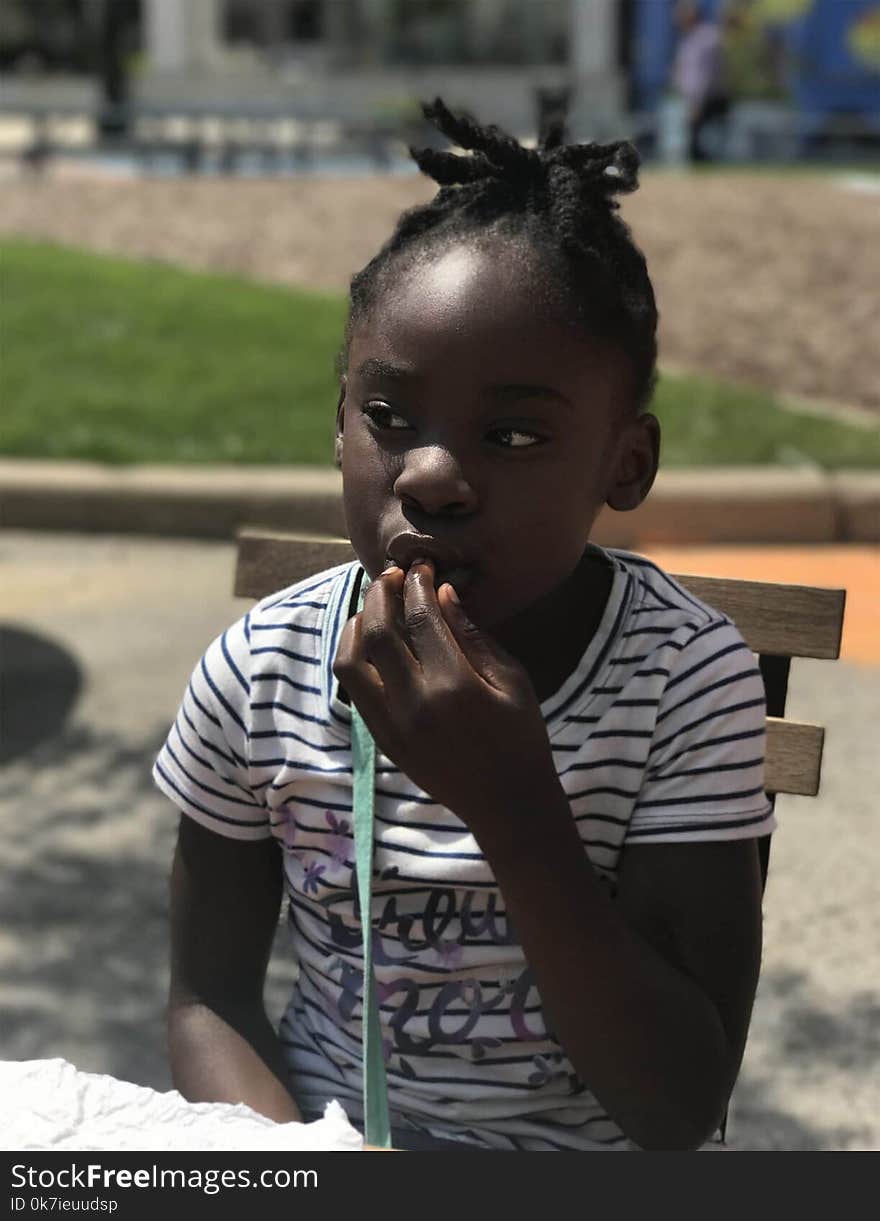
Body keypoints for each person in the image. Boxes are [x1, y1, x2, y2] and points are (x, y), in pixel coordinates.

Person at [153, 98, 774, 1151]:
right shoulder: (262, 671)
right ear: (337, 424)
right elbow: (206, 999)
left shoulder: (683, 678)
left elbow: (675, 1109)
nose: (431, 475)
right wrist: (292, 1165)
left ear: (626, 465)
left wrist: (509, 798)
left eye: (515, 432)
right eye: (389, 418)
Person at [672, 1, 731, 163]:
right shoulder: (688, 39)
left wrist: (696, 102)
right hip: (692, 99)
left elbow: (704, 74)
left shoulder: (706, 38)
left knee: (700, 144)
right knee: (690, 141)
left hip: (708, 99)